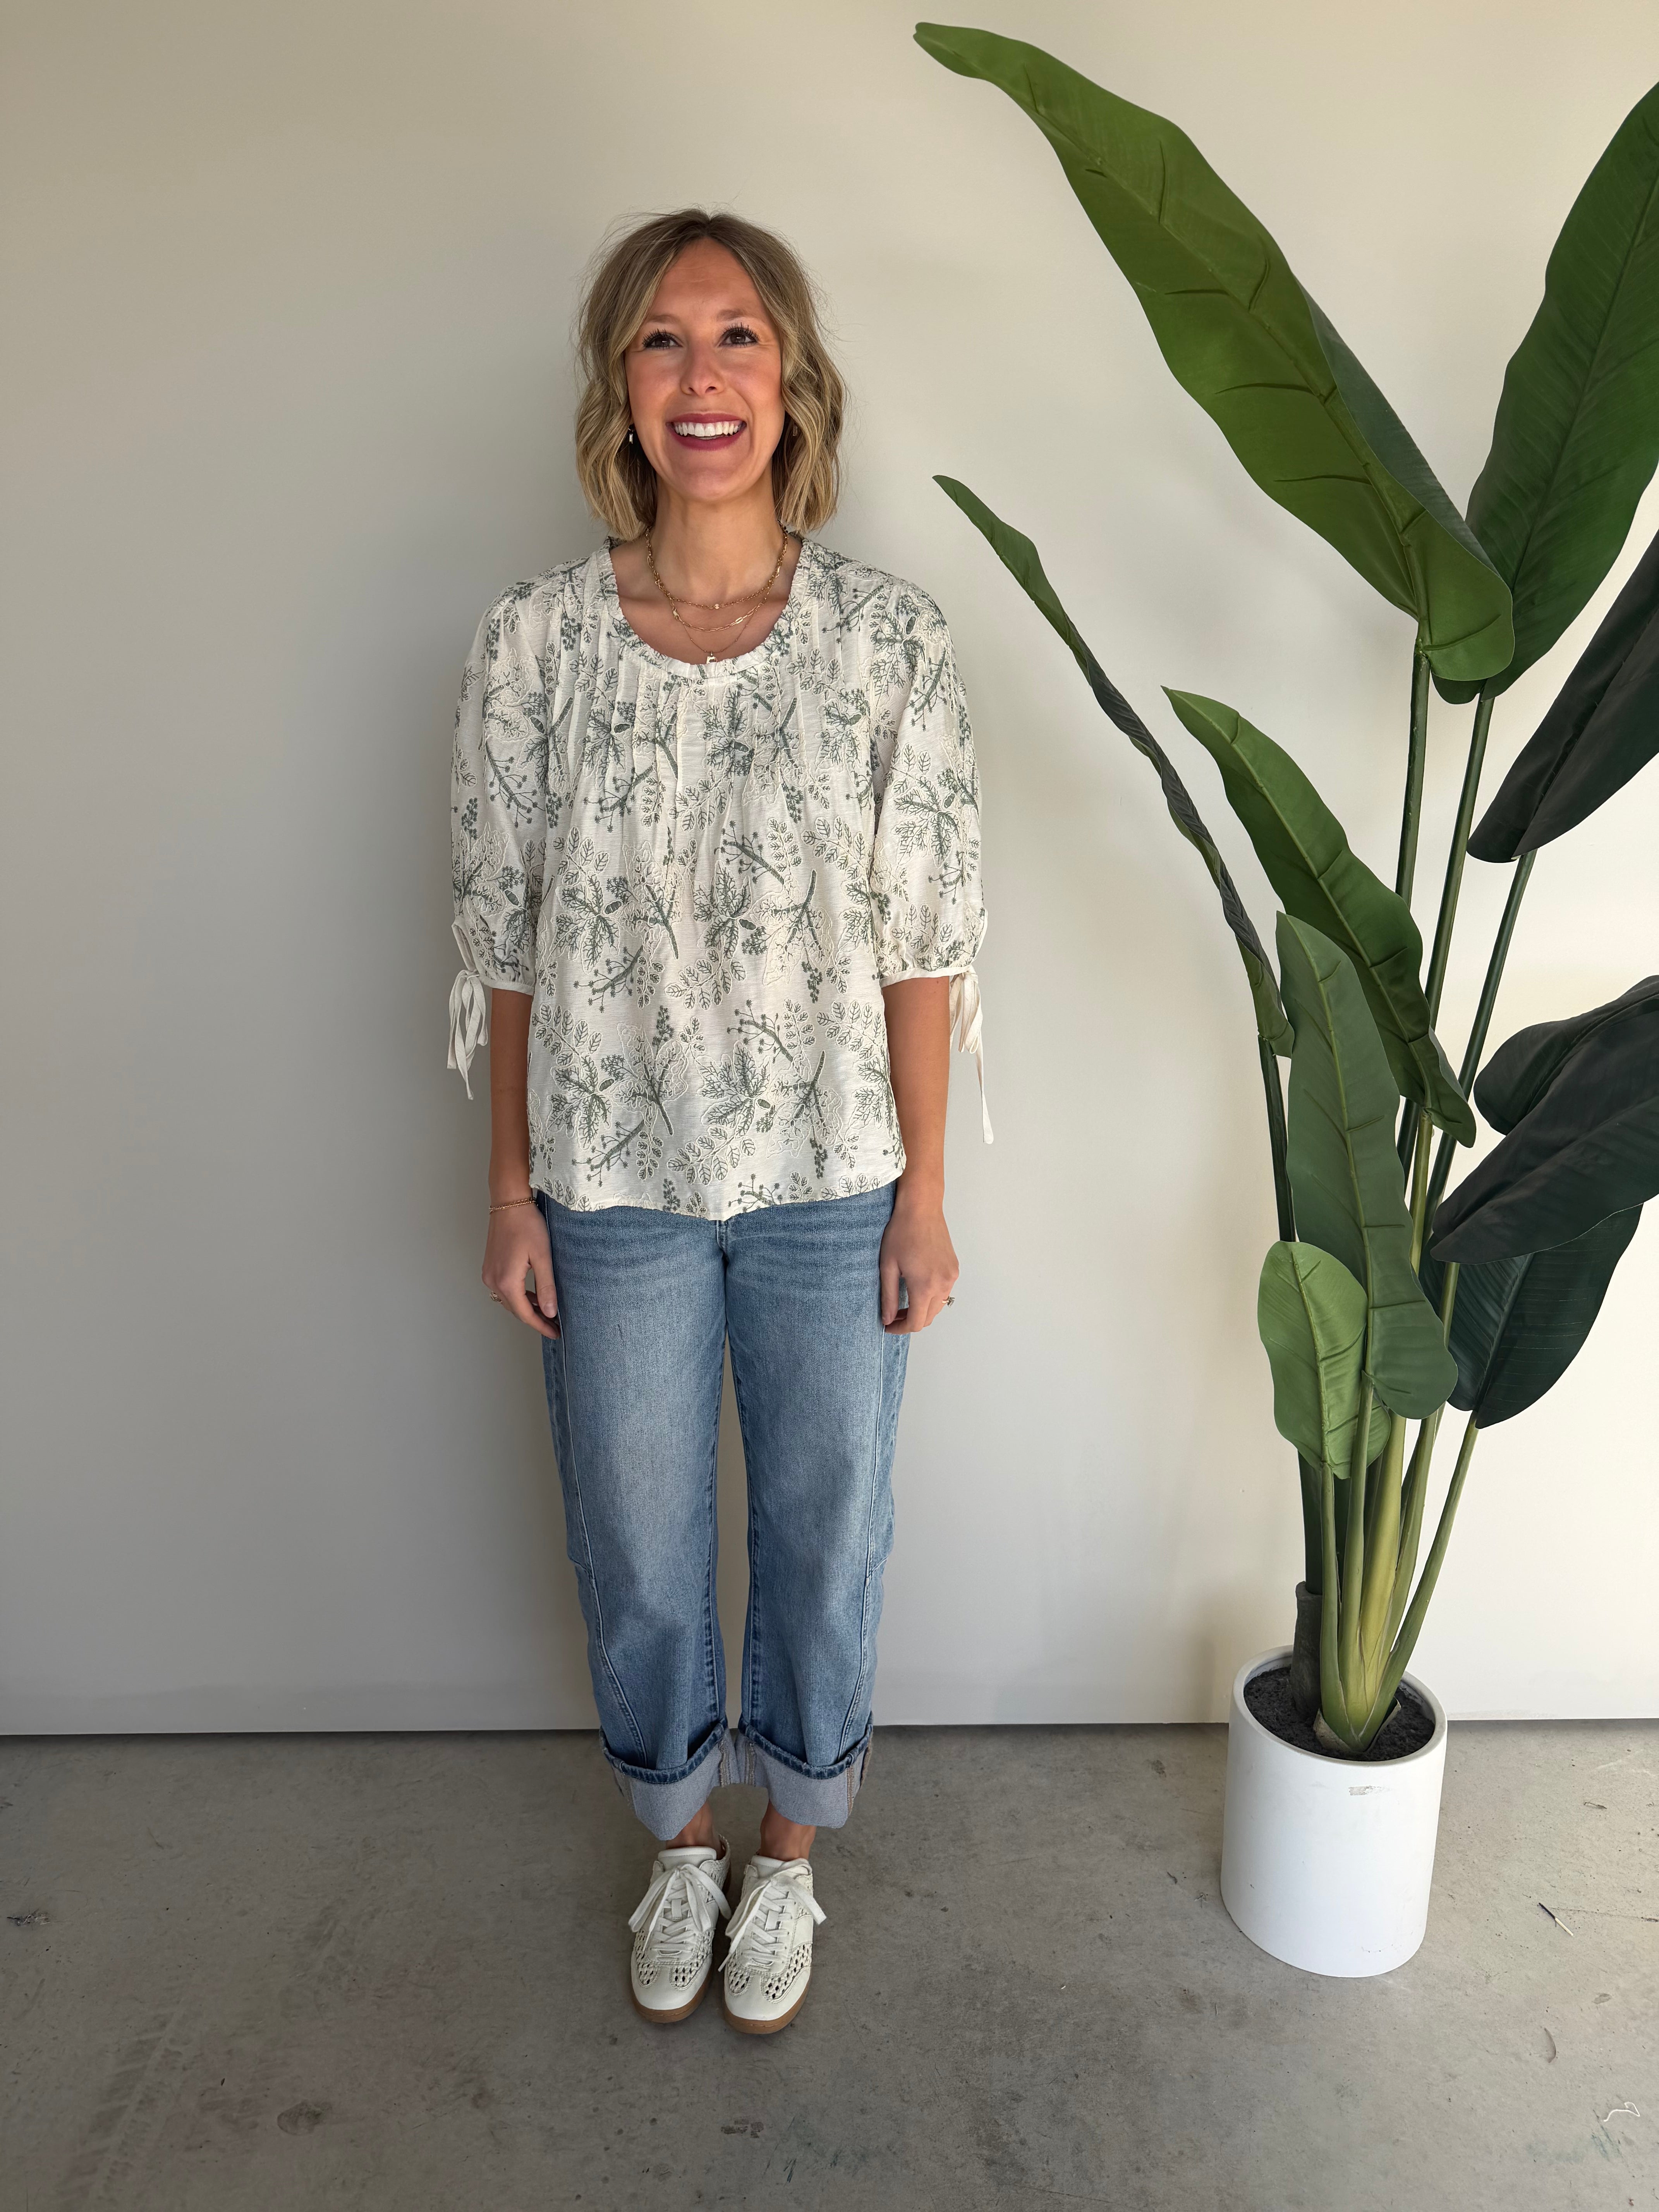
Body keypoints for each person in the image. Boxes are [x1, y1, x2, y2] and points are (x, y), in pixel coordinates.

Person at [447, 208, 989, 2035]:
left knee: (829, 1529)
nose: (703, 376)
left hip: (835, 1177)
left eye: (738, 336)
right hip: (612, 1179)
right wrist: (510, 1186)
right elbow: (503, 937)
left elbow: (927, 940)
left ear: (792, 379)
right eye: (664, 340)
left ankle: (793, 1856)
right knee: (634, 1531)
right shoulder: (532, 645)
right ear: (622, 383)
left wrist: (924, 1193)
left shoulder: (888, 642)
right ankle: (681, 1845)